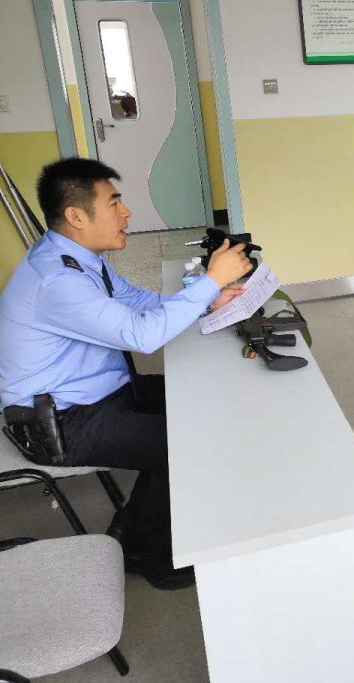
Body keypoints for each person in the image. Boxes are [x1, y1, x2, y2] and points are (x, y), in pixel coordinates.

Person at [0, 158, 251, 589]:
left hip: (101, 395)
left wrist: (206, 298)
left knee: (199, 399)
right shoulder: (55, 280)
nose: (126, 212)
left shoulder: (78, 258)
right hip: (60, 423)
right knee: (186, 443)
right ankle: (151, 555)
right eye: (114, 203)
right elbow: (142, 335)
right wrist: (212, 279)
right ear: (77, 216)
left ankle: (134, 526)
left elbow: (135, 302)